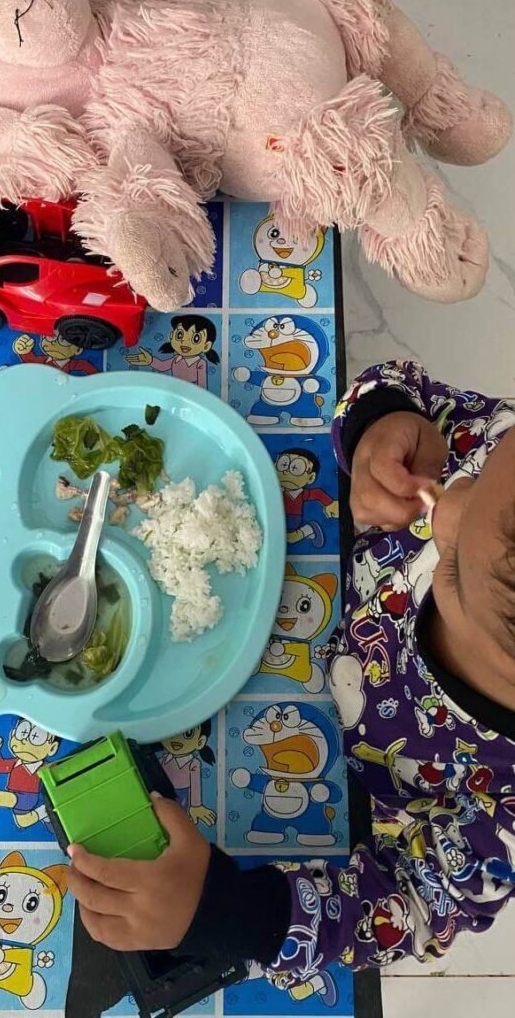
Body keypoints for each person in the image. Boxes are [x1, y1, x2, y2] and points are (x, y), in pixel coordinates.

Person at [66, 359, 515, 983]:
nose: (445, 504)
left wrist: (231, 913)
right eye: (486, 468)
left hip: (353, 784)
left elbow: (411, 908)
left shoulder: (506, 815)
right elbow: (412, 390)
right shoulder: (498, 447)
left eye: (456, 569)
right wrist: (384, 425)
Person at [126, 314, 218, 389]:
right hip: (174, 390)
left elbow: (202, 386)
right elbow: (162, 366)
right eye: (180, 335)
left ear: (206, 346)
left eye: (196, 338)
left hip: (191, 394)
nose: (184, 342)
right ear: (171, 336)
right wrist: (150, 361)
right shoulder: (175, 360)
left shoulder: (200, 363)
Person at [156, 723, 217, 828]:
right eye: (170, 732)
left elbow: (195, 785)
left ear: (200, 742)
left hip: (182, 796)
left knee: (178, 821)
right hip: (162, 793)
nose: (175, 738)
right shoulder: (162, 760)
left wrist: (196, 806)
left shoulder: (193, 764)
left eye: (188, 733)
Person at [276, 448, 339, 548]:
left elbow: (317, 494)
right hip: (278, 517)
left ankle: (309, 529)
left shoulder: (301, 493)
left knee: (289, 538)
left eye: (296, 468)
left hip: (294, 519)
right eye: (283, 465)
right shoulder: (277, 490)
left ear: (311, 478)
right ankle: (309, 530)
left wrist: (330, 504)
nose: (286, 472)